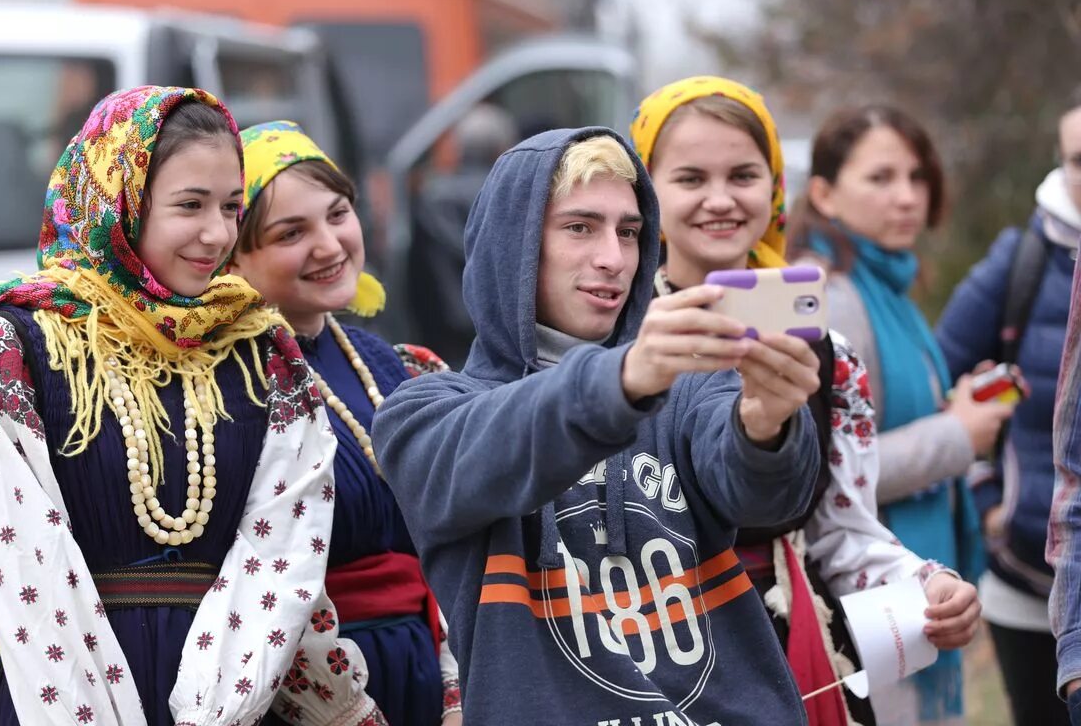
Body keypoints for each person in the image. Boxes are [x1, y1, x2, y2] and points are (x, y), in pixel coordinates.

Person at [0, 87, 382, 726]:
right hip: (65, 692)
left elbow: (284, 563)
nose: (217, 233)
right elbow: (29, 574)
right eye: (190, 205)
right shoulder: (16, 344)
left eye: (233, 207)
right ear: (120, 202)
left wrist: (220, 712)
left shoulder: (263, 350)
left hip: (234, 698)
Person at [373, 126, 827, 724]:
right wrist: (622, 378)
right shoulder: (422, 413)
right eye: (579, 227)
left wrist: (767, 423)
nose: (614, 258)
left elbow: (767, 496)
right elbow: (495, 446)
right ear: (514, 243)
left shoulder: (690, 386)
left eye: (631, 232)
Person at [631, 76, 982, 726]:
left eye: (742, 174)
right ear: (645, 190)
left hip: (797, 656)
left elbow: (840, 533)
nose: (719, 199)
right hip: (647, 663)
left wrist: (925, 586)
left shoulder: (824, 350)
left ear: (774, 187)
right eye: (689, 179)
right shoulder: (611, 351)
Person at [226, 120, 461, 726]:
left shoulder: (398, 367)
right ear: (235, 257)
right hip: (315, 695)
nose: (329, 245)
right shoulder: (234, 389)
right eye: (290, 232)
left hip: (428, 670)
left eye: (338, 214)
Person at [788, 104, 1011, 724]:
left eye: (916, 177)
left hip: (916, 589)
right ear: (825, 194)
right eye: (881, 179)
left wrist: (953, 410)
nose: (908, 197)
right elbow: (831, 473)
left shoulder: (888, 289)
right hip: (869, 604)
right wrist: (957, 434)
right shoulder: (832, 297)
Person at [937, 92, 1081, 726]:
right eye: (1080, 159)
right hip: (1026, 575)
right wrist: (987, 494)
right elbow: (936, 383)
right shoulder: (1021, 260)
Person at [411, 103, 518, 366]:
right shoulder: (512, 194)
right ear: (503, 147)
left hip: (446, 336)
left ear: (459, 149)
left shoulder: (431, 197)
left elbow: (416, 281)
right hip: (507, 334)